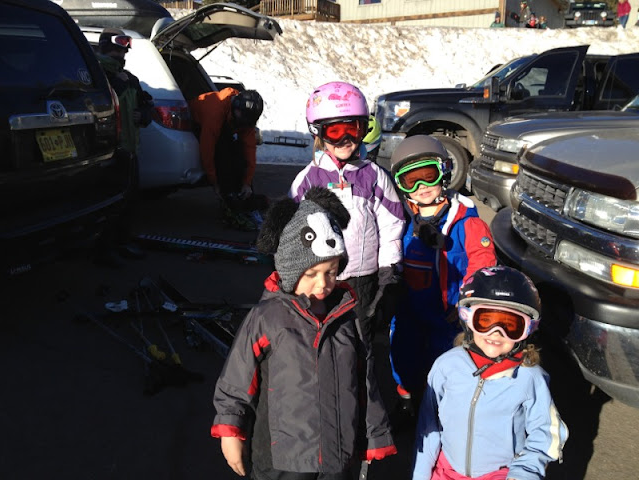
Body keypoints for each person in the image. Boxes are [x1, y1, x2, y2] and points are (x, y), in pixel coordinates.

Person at [212, 186, 397, 479]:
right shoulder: (267, 317)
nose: (323, 283)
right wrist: (230, 430)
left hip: (338, 455)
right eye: (311, 274)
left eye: (331, 272)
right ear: (289, 271)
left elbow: (364, 381)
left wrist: (374, 435)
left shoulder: (346, 318)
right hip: (283, 459)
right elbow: (237, 380)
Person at [412, 265, 569, 480]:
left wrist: (524, 473)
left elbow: (547, 432)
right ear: (467, 318)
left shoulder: (529, 377)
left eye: (510, 325)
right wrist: (420, 474)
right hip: (447, 471)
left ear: (528, 329)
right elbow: (428, 426)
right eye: (486, 320)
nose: (496, 333)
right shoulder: (446, 366)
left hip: (500, 474)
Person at [387, 135, 496, 419]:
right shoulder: (401, 218)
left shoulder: (465, 221)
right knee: (403, 352)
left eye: (428, 176)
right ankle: (406, 397)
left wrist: (466, 302)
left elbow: (482, 264)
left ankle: (440, 407)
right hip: (409, 305)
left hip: (447, 311)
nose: (421, 187)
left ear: (444, 172)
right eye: (411, 181)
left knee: (446, 359)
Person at [289, 81, 406, 344]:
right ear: (318, 132)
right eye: (335, 131)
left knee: (360, 342)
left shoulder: (374, 176)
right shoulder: (307, 180)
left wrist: (389, 274)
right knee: (319, 340)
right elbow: (291, 232)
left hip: (362, 280)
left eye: (353, 129)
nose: (345, 140)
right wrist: (294, 274)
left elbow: (392, 226)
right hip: (319, 279)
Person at [95, 28, 153, 265]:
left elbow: (147, 103)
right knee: (110, 201)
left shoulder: (130, 78)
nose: (120, 55)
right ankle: (103, 250)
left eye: (122, 51)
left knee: (130, 200)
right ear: (104, 49)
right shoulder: (95, 75)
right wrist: (116, 84)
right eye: (115, 52)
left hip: (130, 150)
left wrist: (144, 115)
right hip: (107, 151)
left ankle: (122, 241)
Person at [189, 88, 265, 231]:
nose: (242, 124)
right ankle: (229, 204)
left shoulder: (245, 117)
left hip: (222, 124)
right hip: (196, 122)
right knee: (223, 151)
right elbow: (207, 150)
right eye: (241, 119)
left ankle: (246, 201)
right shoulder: (215, 112)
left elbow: (249, 151)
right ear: (236, 106)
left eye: (246, 122)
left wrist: (247, 183)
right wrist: (215, 182)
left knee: (238, 152)